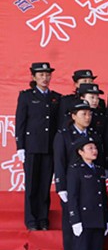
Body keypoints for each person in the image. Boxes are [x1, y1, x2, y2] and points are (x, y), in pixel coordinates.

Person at [54, 101, 101, 250]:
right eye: (83, 114)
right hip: (71, 184)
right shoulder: (64, 135)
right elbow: (59, 161)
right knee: (71, 224)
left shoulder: (94, 135)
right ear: (73, 116)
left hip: (89, 184)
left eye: (89, 114)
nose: (87, 117)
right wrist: (61, 186)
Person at [16, 62, 61, 230]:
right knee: (32, 185)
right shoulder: (26, 96)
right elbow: (21, 123)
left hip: (49, 148)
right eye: (41, 75)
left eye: (47, 74)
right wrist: (20, 146)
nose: (45, 78)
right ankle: (31, 220)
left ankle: (43, 219)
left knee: (44, 185)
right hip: (32, 147)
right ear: (33, 77)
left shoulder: (56, 97)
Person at [67, 137, 108, 250]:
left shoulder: (98, 170)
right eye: (90, 148)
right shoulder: (75, 170)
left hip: (97, 219)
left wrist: (106, 219)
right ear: (80, 152)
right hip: (83, 220)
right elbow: (73, 197)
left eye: (95, 148)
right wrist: (75, 220)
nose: (94, 151)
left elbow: (102, 197)